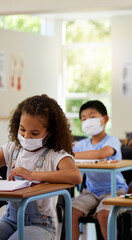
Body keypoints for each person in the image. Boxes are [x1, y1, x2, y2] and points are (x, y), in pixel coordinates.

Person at [0, 94, 82, 240]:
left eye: (35, 133)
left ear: (49, 133)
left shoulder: (54, 154)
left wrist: (32, 175)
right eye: (22, 129)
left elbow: (75, 176)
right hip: (10, 220)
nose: (26, 137)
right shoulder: (13, 149)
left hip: (40, 224)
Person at [71, 100, 127, 240]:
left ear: (105, 119)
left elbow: (102, 154)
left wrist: (71, 155)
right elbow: (64, 154)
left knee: (104, 214)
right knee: (71, 211)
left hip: (114, 190)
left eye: (92, 117)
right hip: (91, 192)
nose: (88, 121)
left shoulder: (112, 140)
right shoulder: (82, 144)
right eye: (84, 119)